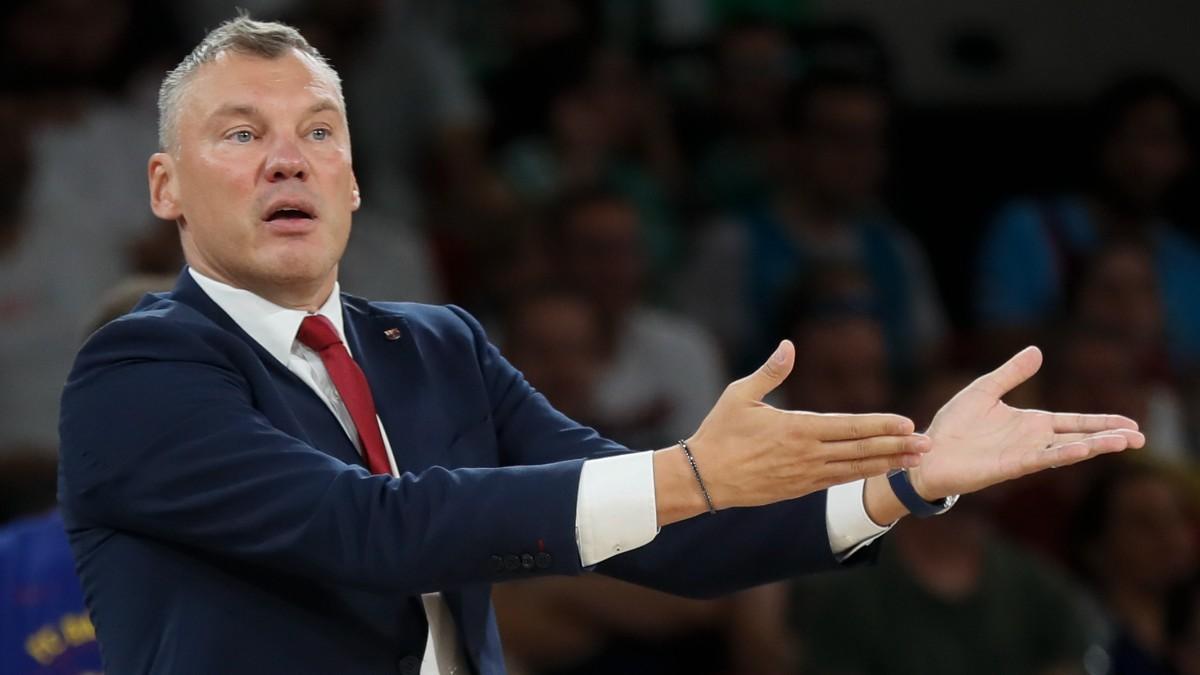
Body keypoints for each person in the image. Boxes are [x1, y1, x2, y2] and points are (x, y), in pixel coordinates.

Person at [57, 16, 1144, 675]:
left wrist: (905, 485)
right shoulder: (138, 369)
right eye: (241, 133)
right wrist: (681, 476)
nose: (287, 160)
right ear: (166, 187)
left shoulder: (438, 346)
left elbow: (661, 534)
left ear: (351, 181)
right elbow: (368, 531)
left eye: (319, 133)